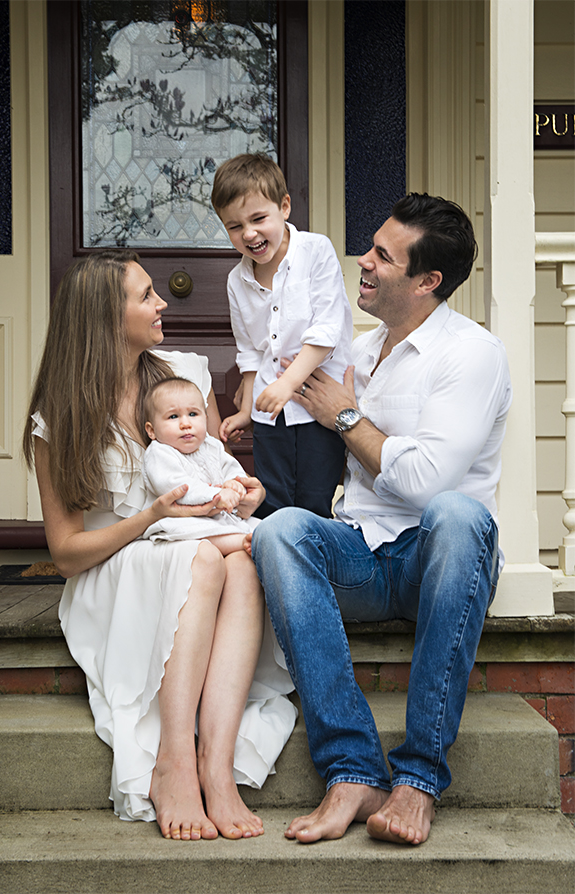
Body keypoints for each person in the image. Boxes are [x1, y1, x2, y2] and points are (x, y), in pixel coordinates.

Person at [251, 194, 510, 846]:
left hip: (438, 559)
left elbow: (427, 485)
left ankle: (418, 779)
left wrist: (345, 416)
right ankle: (352, 771)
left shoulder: (471, 354)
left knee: (457, 514)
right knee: (280, 529)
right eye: (370, 246)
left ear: (427, 282)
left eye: (382, 257)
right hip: (363, 552)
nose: (361, 262)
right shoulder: (354, 354)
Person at [24, 249, 296, 841]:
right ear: (104, 316)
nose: (162, 303)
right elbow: (68, 552)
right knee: (202, 557)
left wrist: (241, 494)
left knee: (244, 563)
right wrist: (151, 515)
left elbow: (215, 469)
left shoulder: (185, 374)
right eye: (145, 295)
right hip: (113, 573)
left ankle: (215, 768)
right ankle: (174, 758)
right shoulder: (61, 415)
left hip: (194, 543)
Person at [213, 154, 353, 519]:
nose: (249, 234)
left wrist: (287, 384)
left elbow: (326, 331)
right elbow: (249, 351)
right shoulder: (236, 281)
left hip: (316, 405)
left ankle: (315, 569)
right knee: (271, 503)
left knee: (313, 500)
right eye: (234, 226)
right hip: (268, 414)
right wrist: (246, 410)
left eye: (259, 219)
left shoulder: (316, 251)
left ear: (284, 207)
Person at [138, 375, 256, 554]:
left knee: (262, 526)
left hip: (217, 517)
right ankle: (242, 542)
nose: (186, 423)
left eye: (193, 414)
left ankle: (248, 539)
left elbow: (231, 468)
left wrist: (234, 484)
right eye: (173, 416)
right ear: (152, 430)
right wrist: (217, 494)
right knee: (201, 535)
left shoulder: (211, 445)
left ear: (205, 418)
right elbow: (176, 486)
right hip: (179, 521)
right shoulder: (159, 453)